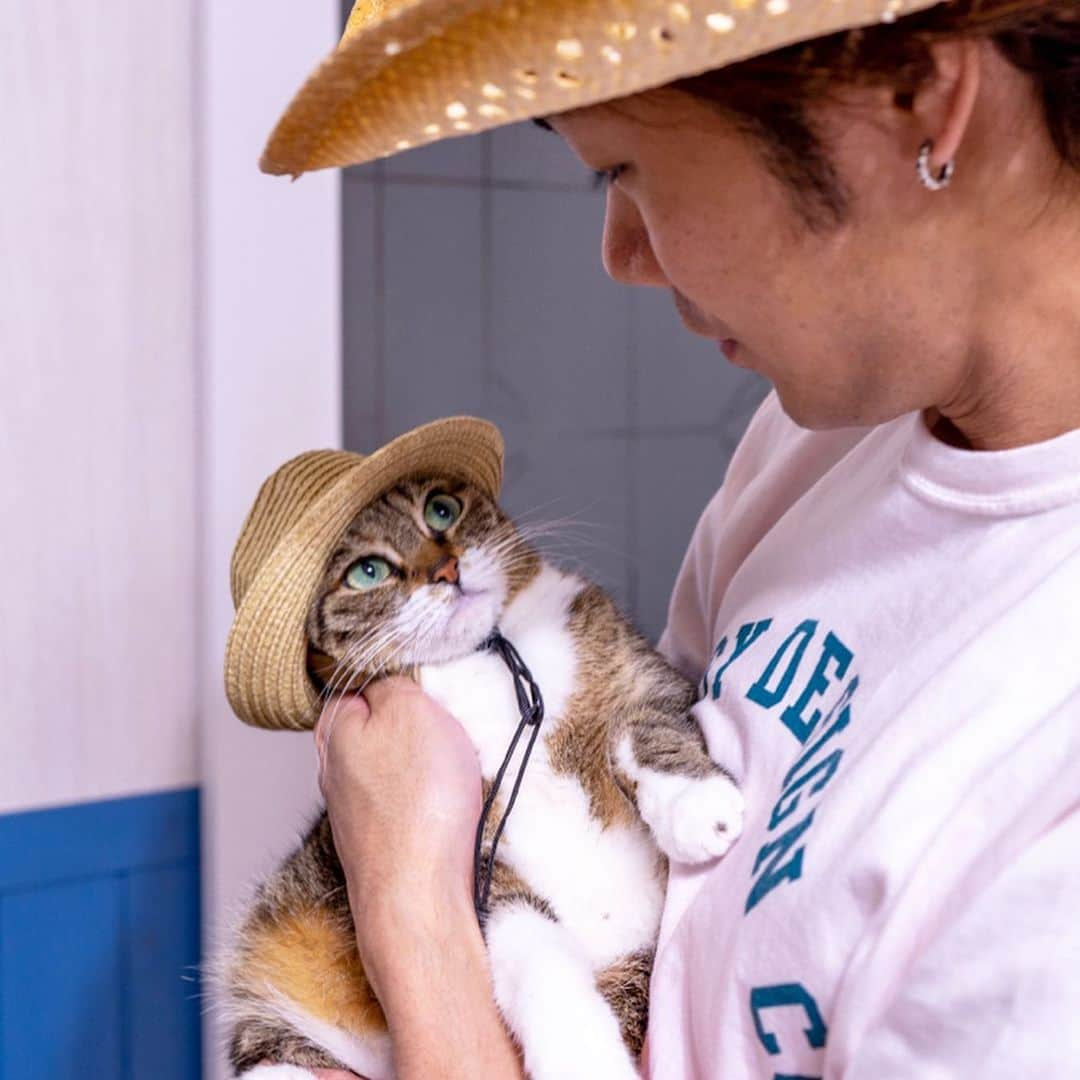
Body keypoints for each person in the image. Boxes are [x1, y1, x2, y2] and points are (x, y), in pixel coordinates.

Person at [266, 0, 1079, 1075]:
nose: (621, 254)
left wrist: (408, 912)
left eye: (622, 169)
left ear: (922, 102)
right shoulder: (805, 444)